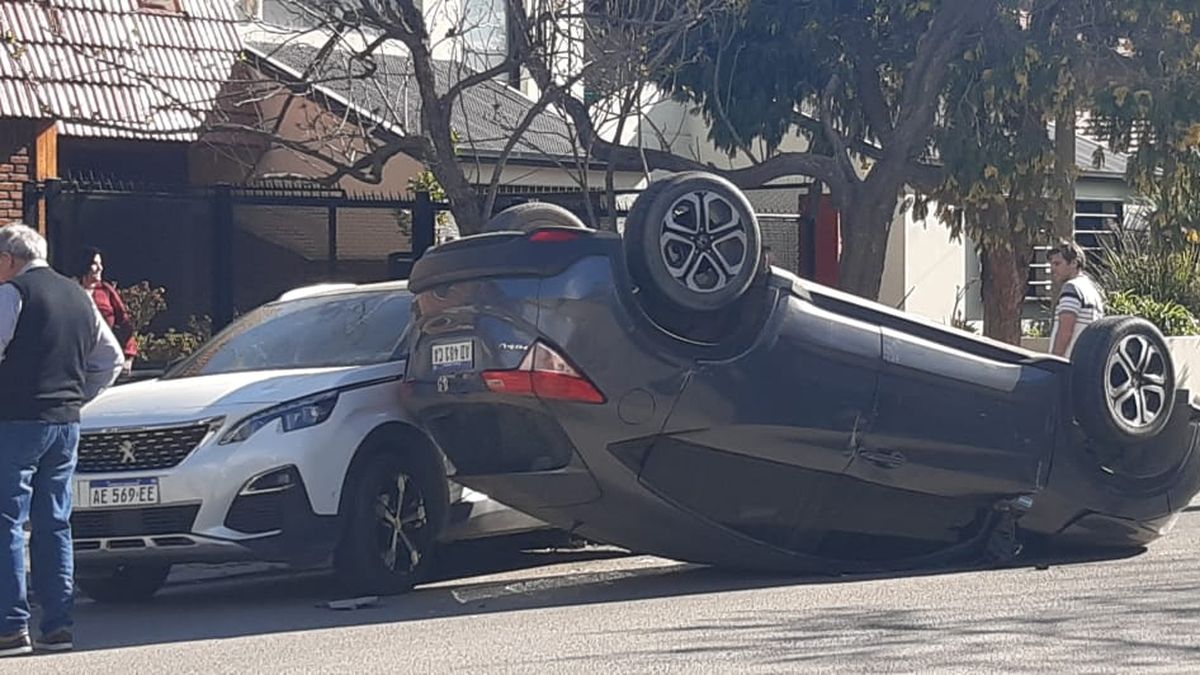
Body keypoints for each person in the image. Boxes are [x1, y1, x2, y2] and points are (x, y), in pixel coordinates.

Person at [0, 224, 123, 656]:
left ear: (8, 259)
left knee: (7, 522)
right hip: (65, 422)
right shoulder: (79, 297)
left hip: (14, 420)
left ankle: (11, 627)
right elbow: (111, 360)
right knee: (54, 522)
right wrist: (76, 396)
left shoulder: (14, 293)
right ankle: (58, 626)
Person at [74, 246, 137, 375]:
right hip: (77, 359)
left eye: (101, 264)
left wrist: (128, 356)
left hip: (105, 360)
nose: (100, 268)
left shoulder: (106, 290)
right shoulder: (71, 290)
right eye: (95, 264)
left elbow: (125, 323)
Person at [1048, 238, 1105, 358]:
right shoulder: (1093, 290)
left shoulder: (1072, 288)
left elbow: (1065, 331)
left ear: (1074, 263)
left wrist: (1053, 361)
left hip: (1068, 364)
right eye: (1051, 264)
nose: (1052, 269)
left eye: (1057, 264)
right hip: (1086, 362)